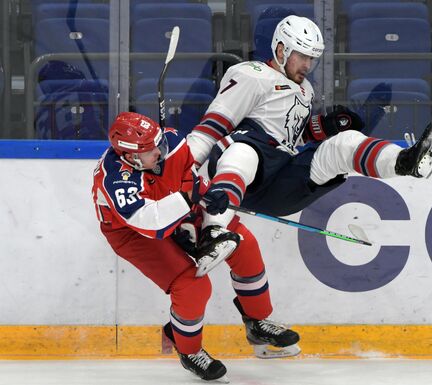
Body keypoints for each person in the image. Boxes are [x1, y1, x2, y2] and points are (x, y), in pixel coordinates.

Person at [92, 112, 301, 382]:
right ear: (131, 157)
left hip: (172, 203)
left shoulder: (172, 142)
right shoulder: (116, 180)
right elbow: (150, 223)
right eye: (151, 150)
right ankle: (189, 352)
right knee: (192, 285)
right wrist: (186, 208)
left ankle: (258, 322)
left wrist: (205, 197)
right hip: (132, 232)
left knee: (243, 243)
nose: (161, 151)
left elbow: (188, 181)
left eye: (159, 143)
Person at [185, 14, 432, 227]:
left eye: (312, 57)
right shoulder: (251, 74)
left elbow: (293, 134)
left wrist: (327, 127)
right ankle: (214, 231)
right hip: (243, 175)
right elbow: (212, 126)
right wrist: (181, 169)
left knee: (343, 145)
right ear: (281, 49)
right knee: (245, 151)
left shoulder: (305, 90)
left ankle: (407, 162)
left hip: (281, 180)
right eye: (302, 55)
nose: (308, 64)